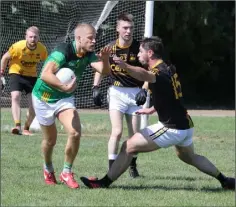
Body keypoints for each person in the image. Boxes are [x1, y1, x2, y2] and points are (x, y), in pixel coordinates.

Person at [80, 36, 235, 190]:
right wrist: (153, 108)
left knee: (128, 146)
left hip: (171, 127)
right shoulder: (169, 67)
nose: (138, 54)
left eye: (141, 51)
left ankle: (103, 183)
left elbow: (142, 74)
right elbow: (171, 95)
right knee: (190, 157)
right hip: (185, 125)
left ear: (151, 53)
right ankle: (225, 180)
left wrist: (124, 65)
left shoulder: (158, 72)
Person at [32, 23, 111, 189]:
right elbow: (45, 74)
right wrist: (63, 86)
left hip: (64, 98)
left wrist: (104, 58)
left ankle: (66, 172)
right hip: (43, 98)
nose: (94, 41)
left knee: (75, 132)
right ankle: (48, 168)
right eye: (90, 38)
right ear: (79, 38)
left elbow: (105, 71)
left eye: (95, 37)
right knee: (50, 140)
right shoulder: (63, 51)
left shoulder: (88, 54)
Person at [92, 13, 148, 178]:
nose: (128, 31)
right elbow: (101, 68)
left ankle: (132, 166)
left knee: (135, 135)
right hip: (116, 92)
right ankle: (112, 170)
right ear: (117, 29)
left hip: (135, 94)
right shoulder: (110, 48)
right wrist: (96, 87)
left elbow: (150, 72)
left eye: (130, 28)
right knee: (116, 132)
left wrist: (144, 89)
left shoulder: (140, 48)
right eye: (125, 27)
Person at [0, 26, 48, 136]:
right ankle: (17, 126)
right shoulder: (17, 47)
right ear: (26, 37)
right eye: (30, 37)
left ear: (38, 38)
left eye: (35, 37)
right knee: (16, 96)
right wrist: (1, 73)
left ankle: (26, 128)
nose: (32, 39)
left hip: (32, 77)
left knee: (35, 104)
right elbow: (5, 58)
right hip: (16, 73)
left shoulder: (42, 49)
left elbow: (48, 62)